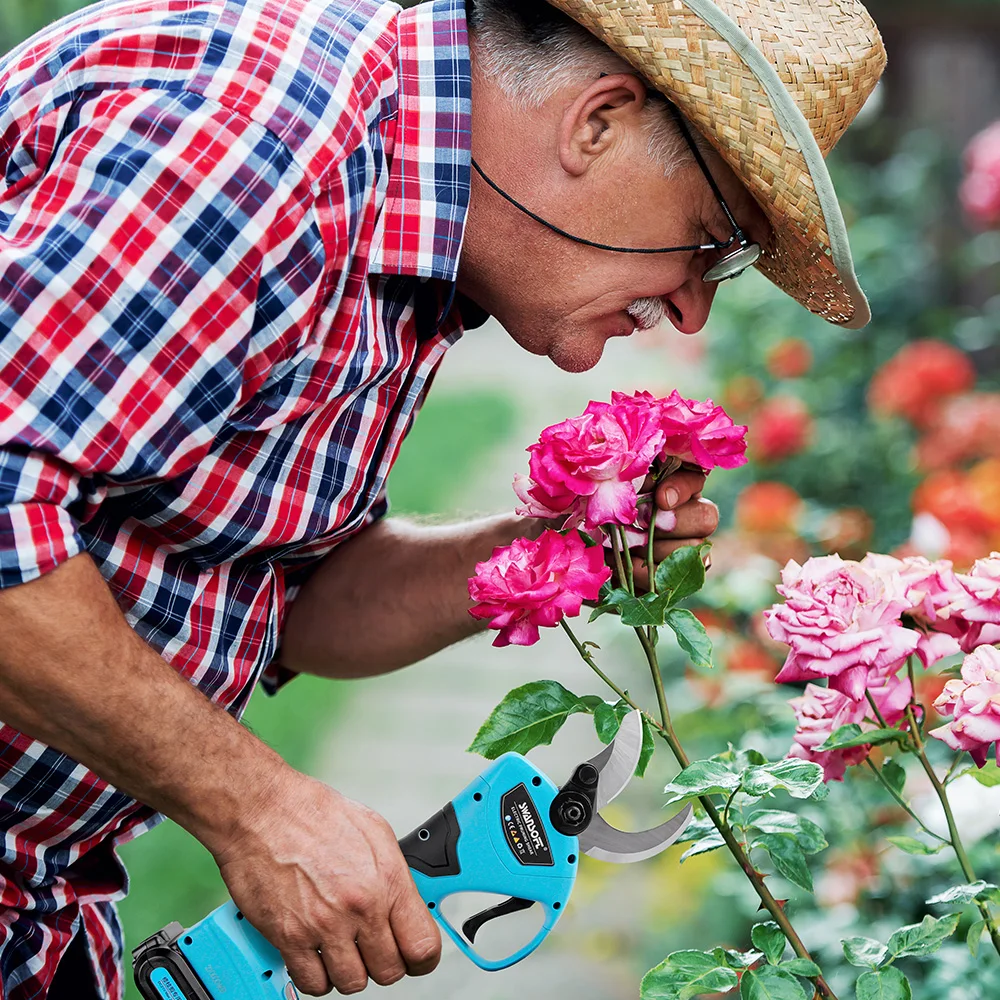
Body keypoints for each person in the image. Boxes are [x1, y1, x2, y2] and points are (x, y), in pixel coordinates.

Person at [0, 0, 883, 995]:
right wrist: (257, 807)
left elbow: (280, 608)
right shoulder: (258, 148)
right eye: (712, 240)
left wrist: (551, 550)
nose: (691, 304)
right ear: (597, 120)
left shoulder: (421, 245)